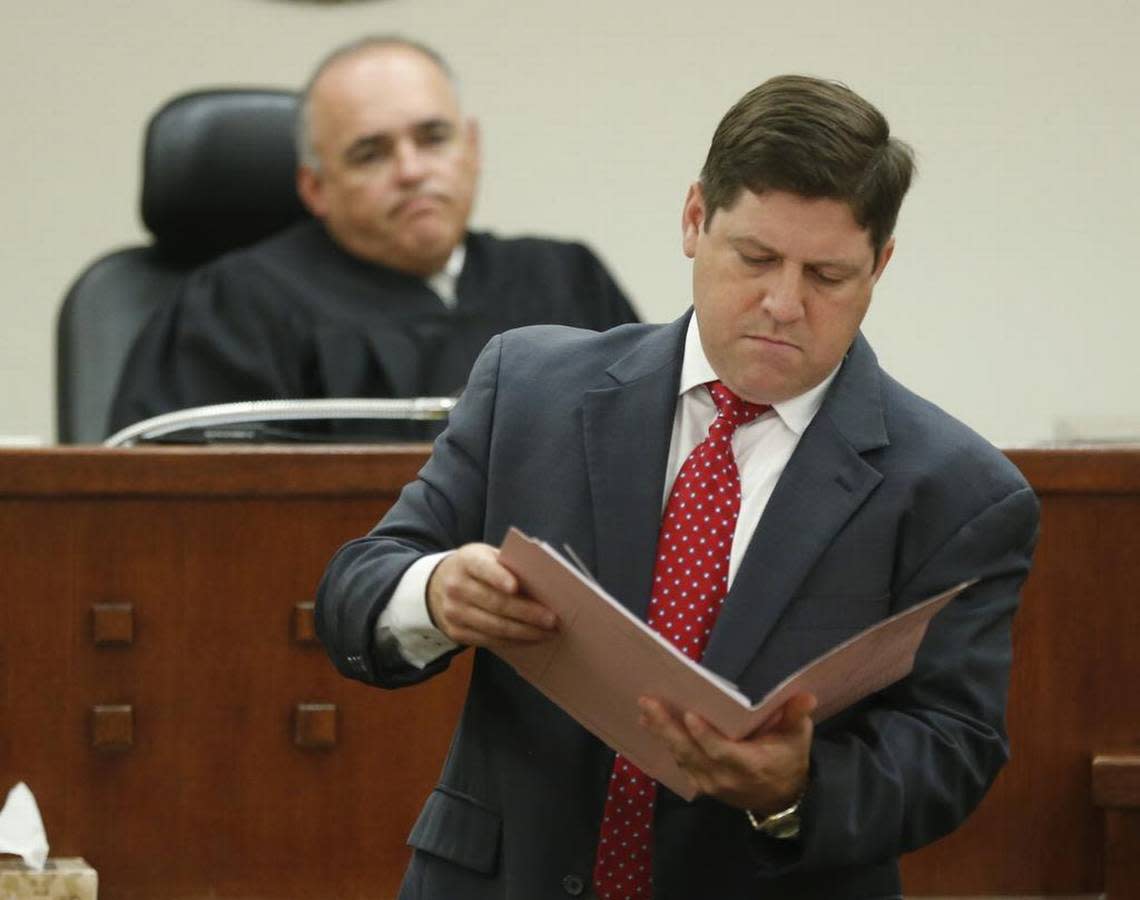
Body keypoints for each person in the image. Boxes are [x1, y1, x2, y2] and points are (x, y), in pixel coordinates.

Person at [315, 74, 1039, 899]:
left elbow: (953, 747)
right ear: (695, 219)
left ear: (880, 267)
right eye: (757, 258)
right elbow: (353, 590)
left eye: (828, 276)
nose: (783, 303)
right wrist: (433, 593)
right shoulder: (529, 386)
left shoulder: (960, 492)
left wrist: (794, 789)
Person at [108, 37, 637, 435]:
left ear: (472, 149)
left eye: (433, 139)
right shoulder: (236, 305)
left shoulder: (566, 277)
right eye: (371, 153)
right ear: (315, 188)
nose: (411, 170)